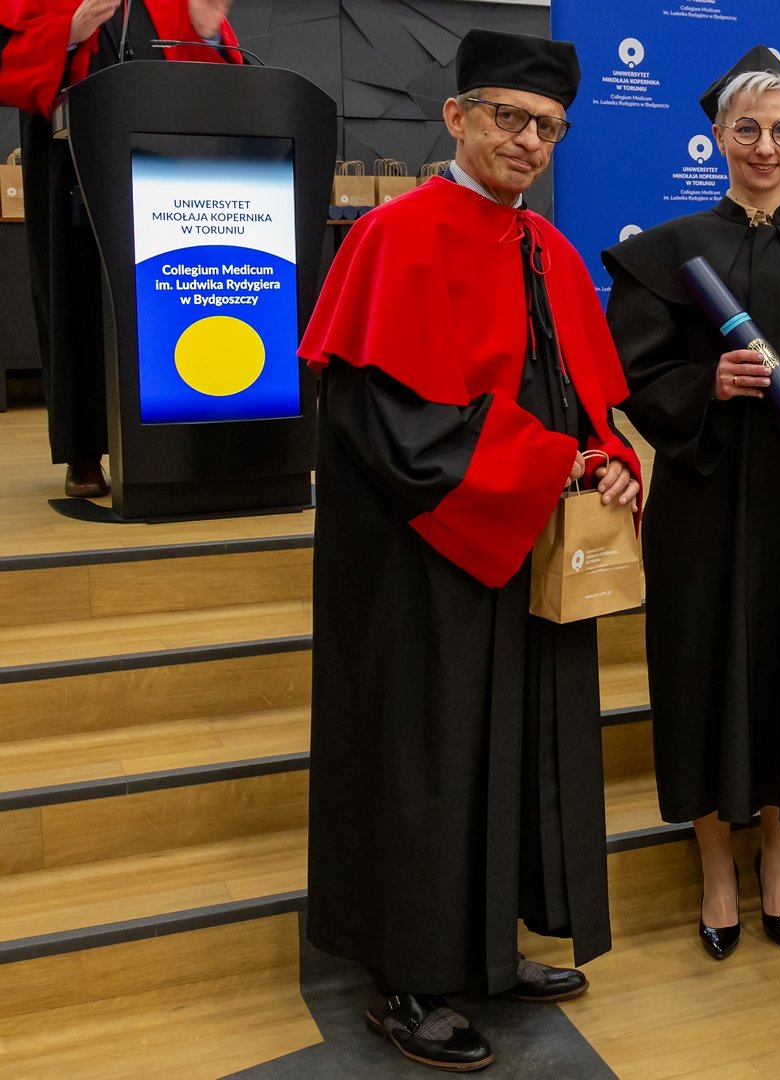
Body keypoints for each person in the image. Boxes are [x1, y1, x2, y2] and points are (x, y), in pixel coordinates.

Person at [297, 29, 640, 1072]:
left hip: (526, 543)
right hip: (423, 558)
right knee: (427, 758)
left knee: (514, 750)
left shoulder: (549, 250)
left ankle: (485, 946)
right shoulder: (392, 238)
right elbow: (388, 426)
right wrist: (547, 464)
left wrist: (612, 461)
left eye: (548, 127)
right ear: (456, 117)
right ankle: (405, 975)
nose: (527, 140)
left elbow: (582, 398)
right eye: (508, 117)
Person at [601, 47, 780, 961]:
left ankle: (777, 855)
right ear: (717, 137)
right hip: (701, 500)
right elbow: (633, 377)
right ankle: (714, 865)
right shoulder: (669, 253)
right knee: (695, 672)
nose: (764, 146)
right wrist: (708, 383)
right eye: (747, 130)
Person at [0, 0, 240, 497]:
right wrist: (69, 32)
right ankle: (85, 452)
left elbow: (221, 79)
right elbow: (10, 61)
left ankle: (182, 440)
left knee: (166, 299)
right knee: (78, 295)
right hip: (72, 160)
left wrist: (208, 35)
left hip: (163, 167)